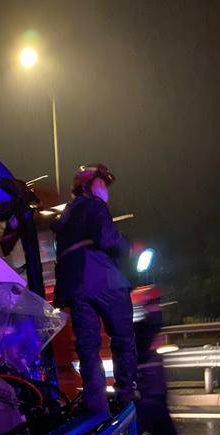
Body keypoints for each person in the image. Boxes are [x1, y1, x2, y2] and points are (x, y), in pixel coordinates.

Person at [52, 164, 136, 415]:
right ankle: (126, 392)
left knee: (87, 347)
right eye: (102, 184)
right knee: (122, 336)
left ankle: (96, 403)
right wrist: (126, 243)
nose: (106, 191)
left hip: (76, 288)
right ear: (89, 185)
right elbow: (107, 238)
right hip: (103, 280)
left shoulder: (65, 218)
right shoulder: (95, 206)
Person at [133, 285, 216, 435]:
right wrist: (151, 304)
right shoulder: (143, 337)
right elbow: (153, 325)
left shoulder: (136, 339)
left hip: (146, 402)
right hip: (154, 401)